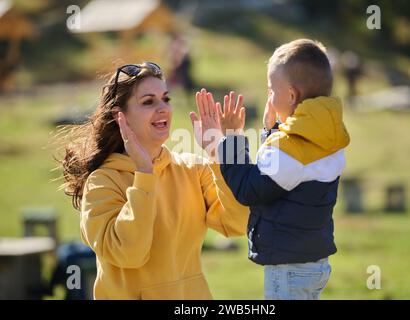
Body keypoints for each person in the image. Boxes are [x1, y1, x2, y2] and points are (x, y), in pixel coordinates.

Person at [59, 62, 249, 299]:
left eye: (165, 99)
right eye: (148, 102)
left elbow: (237, 224)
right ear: (121, 117)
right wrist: (144, 174)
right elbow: (130, 253)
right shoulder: (103, 182)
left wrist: (218, 155)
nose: (163, 109)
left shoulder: (192, 169)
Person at [200, 39, 350, 299]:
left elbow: (250, 189)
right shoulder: (327, 137)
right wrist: (272, 131)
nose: (269, 96)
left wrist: (231, 138)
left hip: (289, 268)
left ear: (291, 95)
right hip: (313, 264)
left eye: (271, 90)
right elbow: (282, 173)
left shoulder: (290, 148)